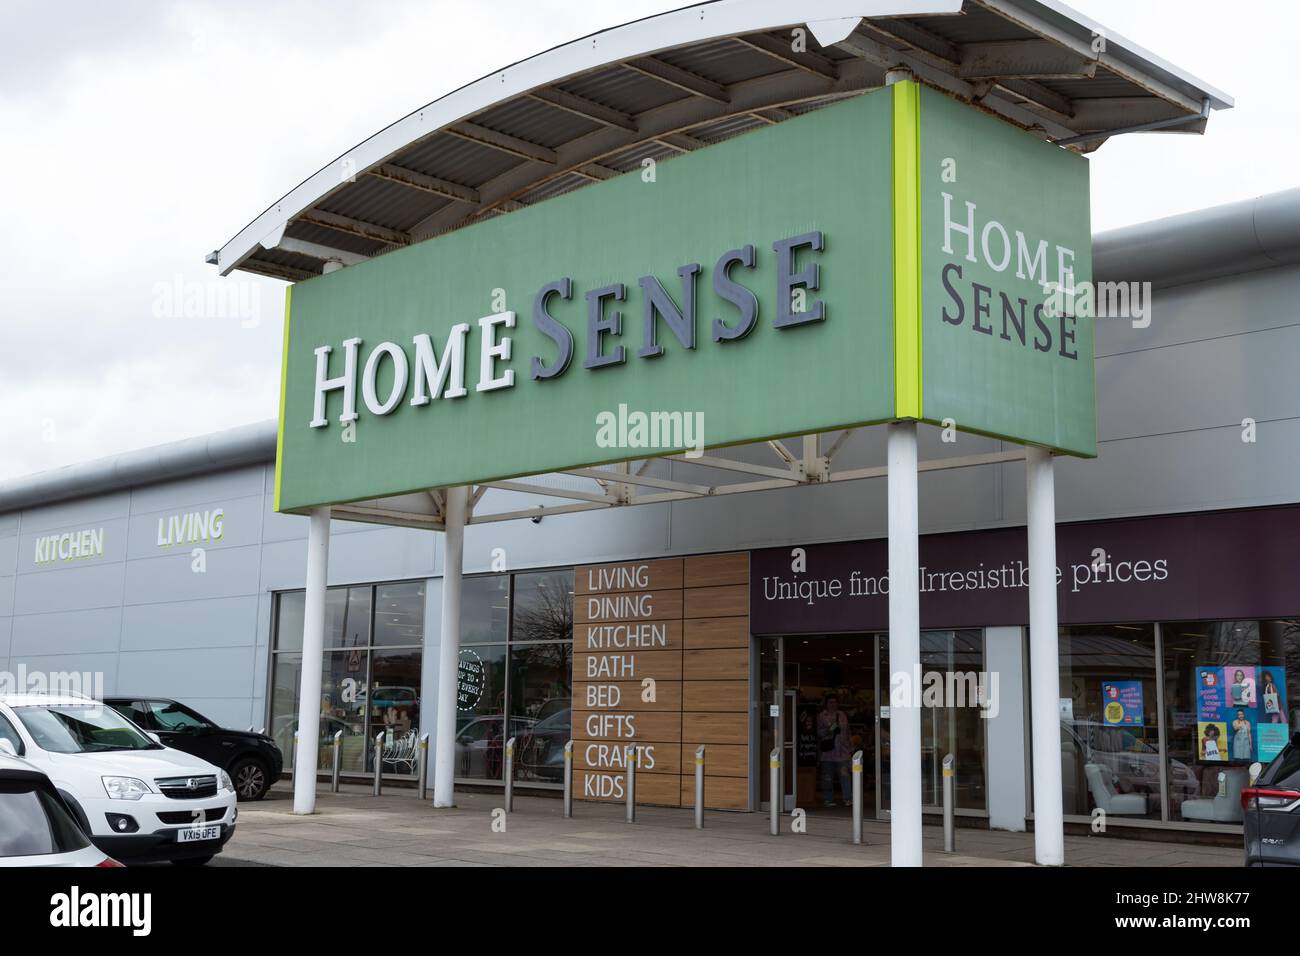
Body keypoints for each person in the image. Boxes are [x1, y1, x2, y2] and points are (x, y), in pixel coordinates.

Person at [816, 694, 853, 807]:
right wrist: (829, 730)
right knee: (827, 777)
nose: (833, 704)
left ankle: (847, 798)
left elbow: (848, 731)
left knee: (845, 776)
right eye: (830, 702)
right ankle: (828, 799)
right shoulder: (822, 716)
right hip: (828, 753)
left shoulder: (842, 715)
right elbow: (818, 732)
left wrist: (851, 746)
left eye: (835, 702)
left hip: (843, 751)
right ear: (826, 703)